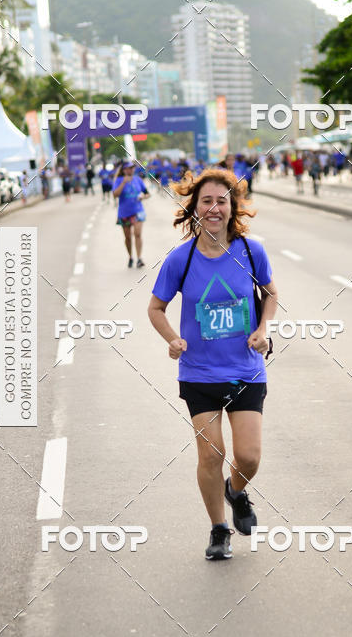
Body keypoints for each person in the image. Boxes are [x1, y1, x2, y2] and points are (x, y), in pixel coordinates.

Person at [148, 168, 278, 561]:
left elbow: (270, 293)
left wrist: (264, 327)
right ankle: (219, 529)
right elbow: (155, 307)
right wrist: (172, 338)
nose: (214, 207)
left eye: (222, 200)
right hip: (199, 373)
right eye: (207, 201)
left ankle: (235, 491)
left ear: (232, 206)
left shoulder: (252, 252)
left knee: (249, 457)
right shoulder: (181, 259)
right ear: (195, 208)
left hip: (246, 369)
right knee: (210, 455)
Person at [113, 160, 150, 268]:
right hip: (124, 213)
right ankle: (130, 257)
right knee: (128, 237)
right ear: (124, 170)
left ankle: (139, 258)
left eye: (132, 168)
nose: (131, 170)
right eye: (129, 168)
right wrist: (124, 182)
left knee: (137, 234)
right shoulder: (119, 180)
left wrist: (143, 196)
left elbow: (147, 193)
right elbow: (115, 195)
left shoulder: (138, 179)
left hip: (138, 211)